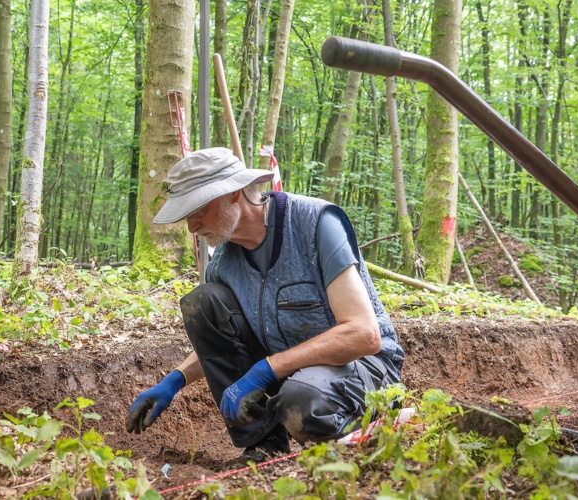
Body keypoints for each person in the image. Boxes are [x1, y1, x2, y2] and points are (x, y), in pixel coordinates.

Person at [125, 147, 405, 460]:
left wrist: (267, 368)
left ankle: (375, 426)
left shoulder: (315, 224)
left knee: (299, 402)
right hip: (294, 370)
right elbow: (222, 342)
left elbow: (364, 335)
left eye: (197, 210)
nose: (192, 226)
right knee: (202, 302)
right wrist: (173, 381)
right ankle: (264, 444)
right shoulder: (223, 265)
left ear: (231, 193)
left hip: (364, 367)